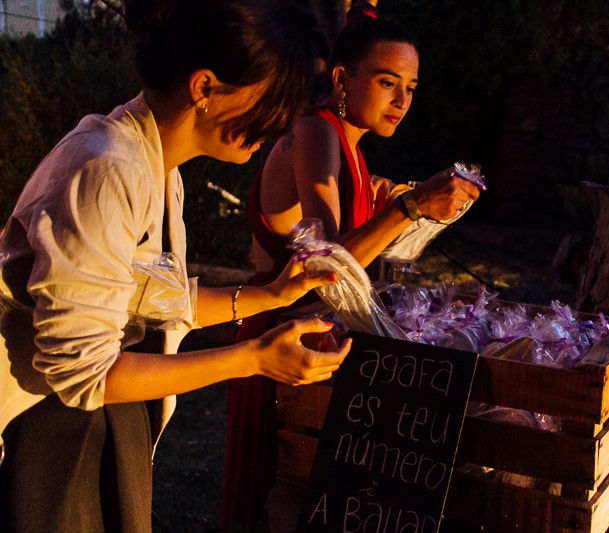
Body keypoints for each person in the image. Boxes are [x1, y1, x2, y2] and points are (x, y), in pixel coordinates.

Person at [0, 1, 352, 531]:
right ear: (205, 87)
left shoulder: (156, 167)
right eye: (273, 102)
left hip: (90, 425)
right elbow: (80, 372)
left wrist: (271, 295)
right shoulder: (104, 169)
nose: (279, 125)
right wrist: (253, 358)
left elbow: (146, 297)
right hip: (48, 438)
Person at [221, 4, 481, 531]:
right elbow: (327, 266)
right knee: (284, 492)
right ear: (343, 78)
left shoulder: (351, 148)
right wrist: (408, 208)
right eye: (388, 83)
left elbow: (362, 220)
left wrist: (408, 200)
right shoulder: (316, 133)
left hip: (315, 334)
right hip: (282, 330)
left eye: (410, 86)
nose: (402, 101)